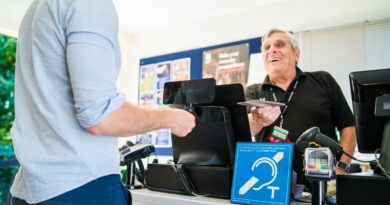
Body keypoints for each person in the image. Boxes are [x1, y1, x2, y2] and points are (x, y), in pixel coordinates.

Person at [10, 0, 195, 205]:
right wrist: (171, 117)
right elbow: (101, 116)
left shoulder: (38, 8)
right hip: (80, 187)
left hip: (31, 190)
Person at [245, 28, 357, 188]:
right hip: (271, 183)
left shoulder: (323, 81)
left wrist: (341, 167)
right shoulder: (253, 91)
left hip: (323, 181)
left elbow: (348, 126)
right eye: (266, 47)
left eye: (279, 44)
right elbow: (247, 129)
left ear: (296, 54)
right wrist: (256, 119)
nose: (272, 50)